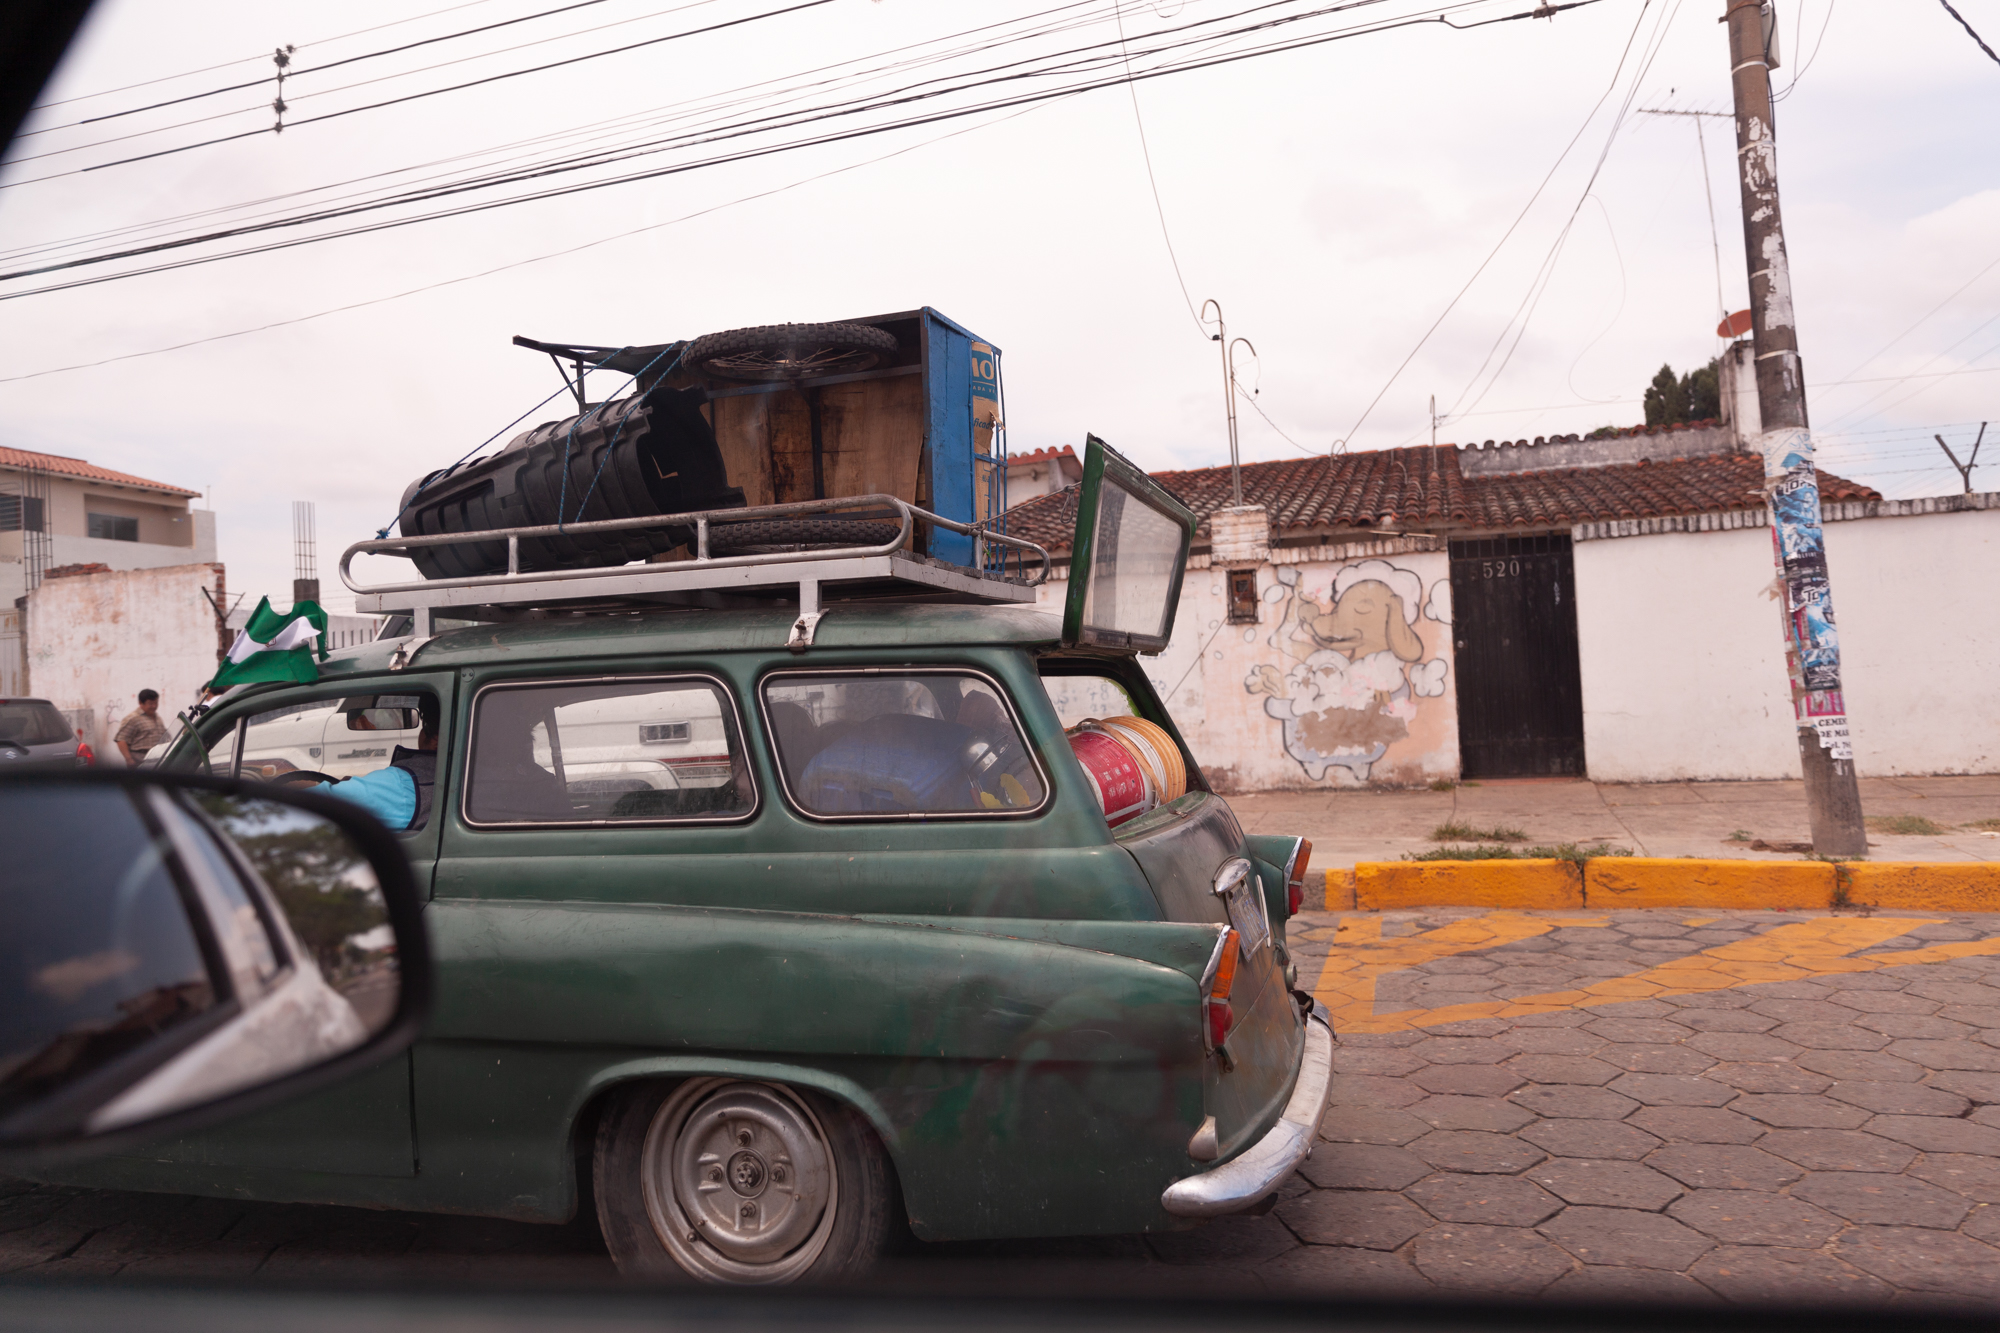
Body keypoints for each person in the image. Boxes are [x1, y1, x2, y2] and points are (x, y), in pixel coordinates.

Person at [306, 696, 439, 831]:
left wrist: (285, 792)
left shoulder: (401, 785)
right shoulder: (450, 779)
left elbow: (310, 804)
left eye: (424, 725)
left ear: (436, 740)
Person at [114, 689, 170, 766]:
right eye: (150, 703)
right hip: (140, 762)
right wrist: (129, 759)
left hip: (157, 761)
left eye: (156, 703)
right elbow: (121, 740)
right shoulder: (133, 718)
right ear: (140, 703)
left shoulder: (157, 717)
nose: (154, 706)